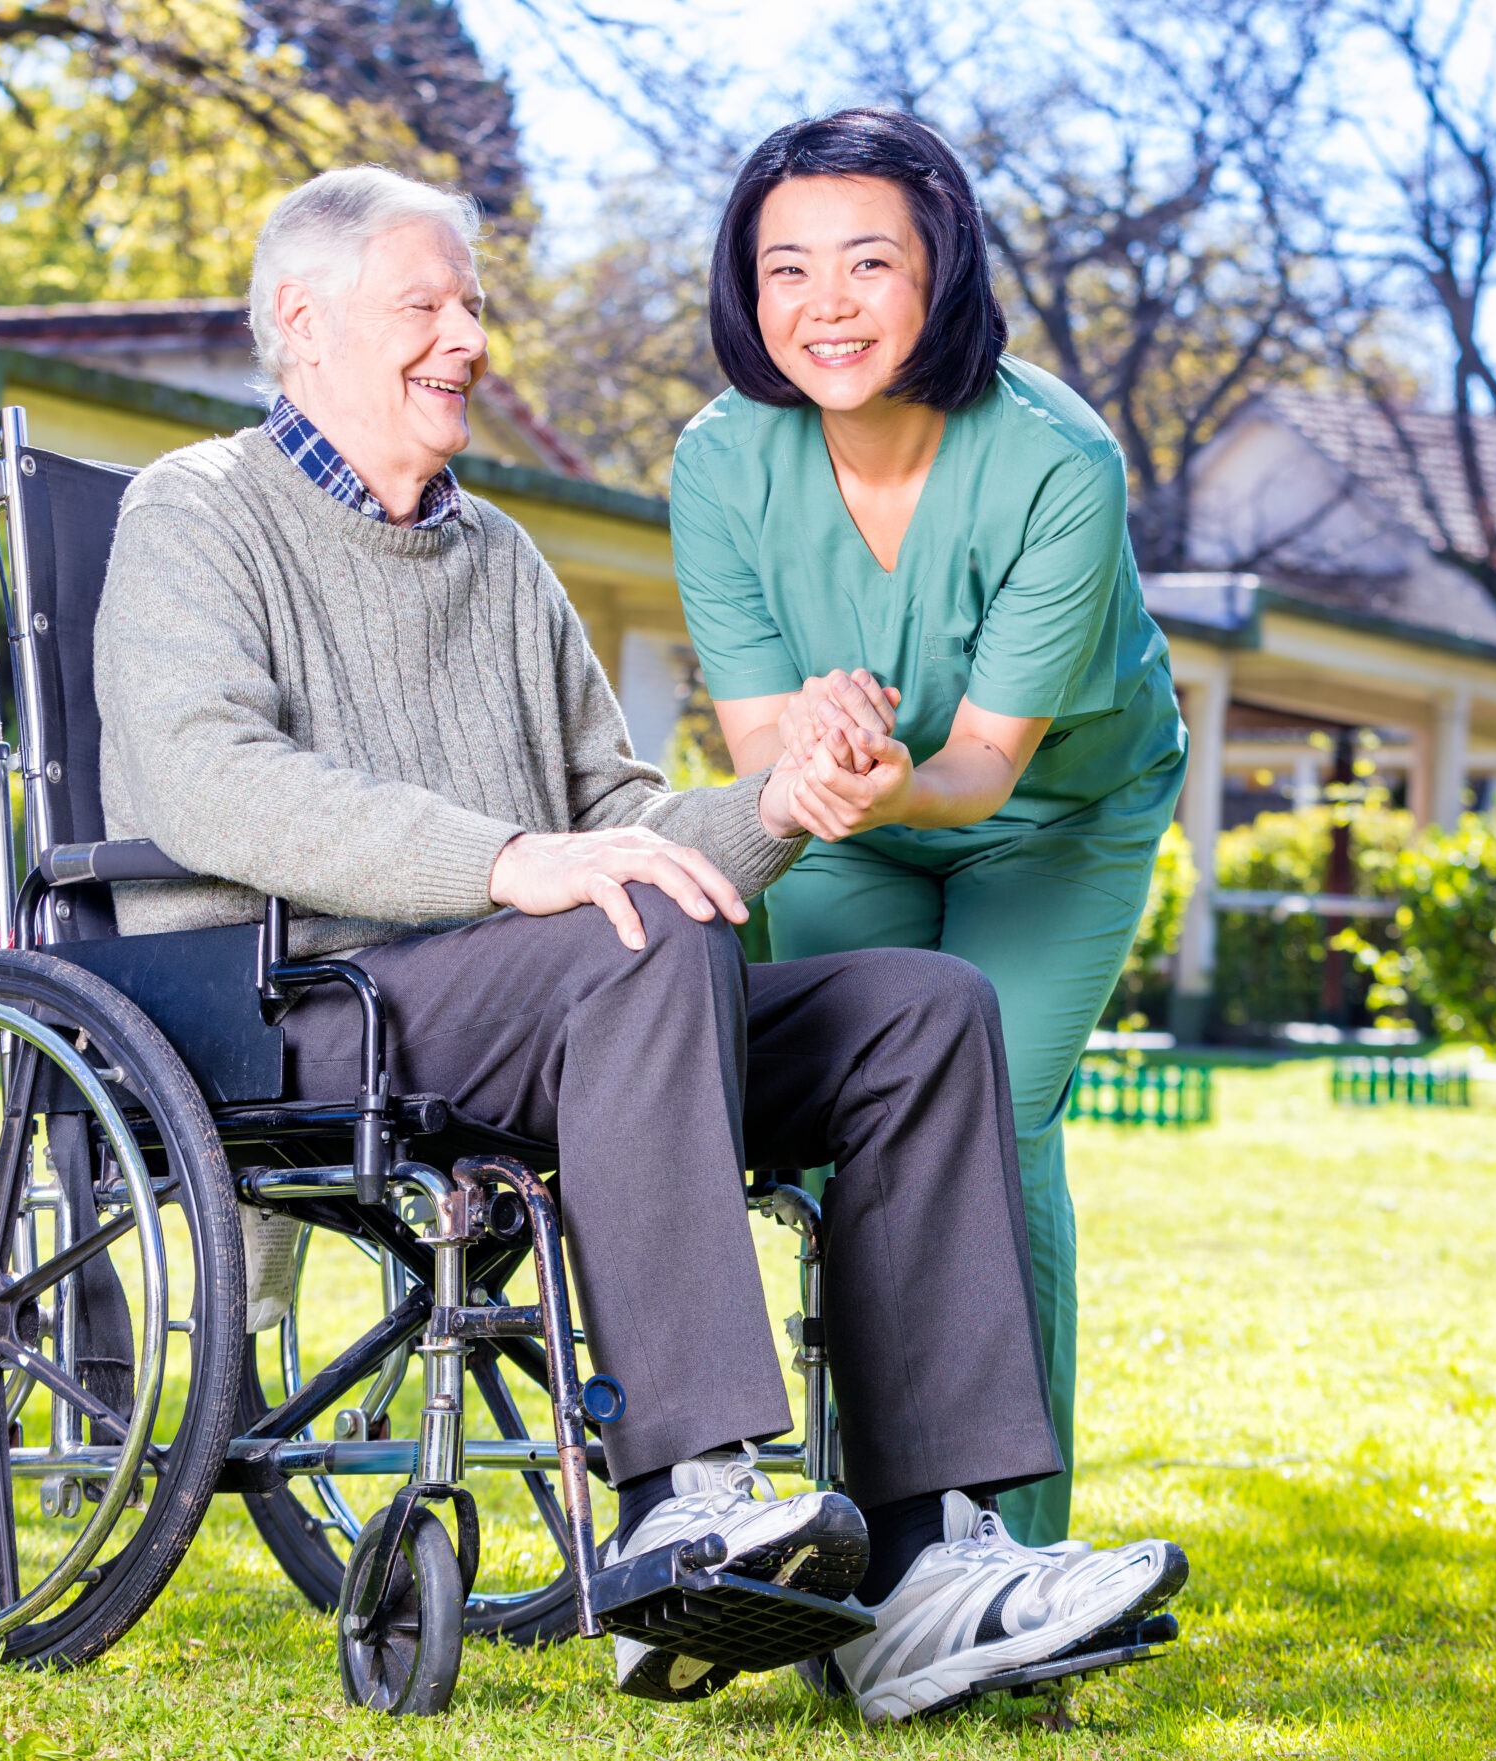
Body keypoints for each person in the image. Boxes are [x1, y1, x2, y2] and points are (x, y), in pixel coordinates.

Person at [92, 165, 1184, 1721]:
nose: (469, 334)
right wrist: (507, 858)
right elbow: (208, 778)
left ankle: (926, 1563)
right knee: (637, 937)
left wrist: (788, 801)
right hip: (301, 996)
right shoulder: (198, 510)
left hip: (557, 996)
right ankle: (687, 1490)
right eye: (428, 303)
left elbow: (622, 812)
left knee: (923, 1012)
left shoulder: (500, 562)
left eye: (472, 303)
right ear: (302, 322)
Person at [670, 111, 1188, 1551]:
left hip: (1052, 818)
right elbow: (765, 751)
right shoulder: (721, 465)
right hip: (858, 823)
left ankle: (1003, 1551)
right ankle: (875, 1533)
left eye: (866, 261)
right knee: (854, 1134)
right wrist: (823, 767)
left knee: (993, 1122)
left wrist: (875, 771)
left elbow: (974, 770)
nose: (823, 304)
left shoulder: (1053, 462)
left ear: (942, 267)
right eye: (785, 269)